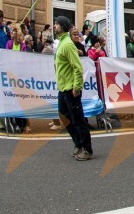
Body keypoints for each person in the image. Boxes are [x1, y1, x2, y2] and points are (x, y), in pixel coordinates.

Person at [54, 16, 93, 161]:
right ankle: (78, 143)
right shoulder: (61, 42)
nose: (54, 26)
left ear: (63, 27)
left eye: (57, 24)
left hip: (71, 88)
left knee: (78, 119)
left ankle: (87, 149)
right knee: (65, 117)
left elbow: (77, 67)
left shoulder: (68, 44)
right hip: (63, 88)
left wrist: (77, 87)